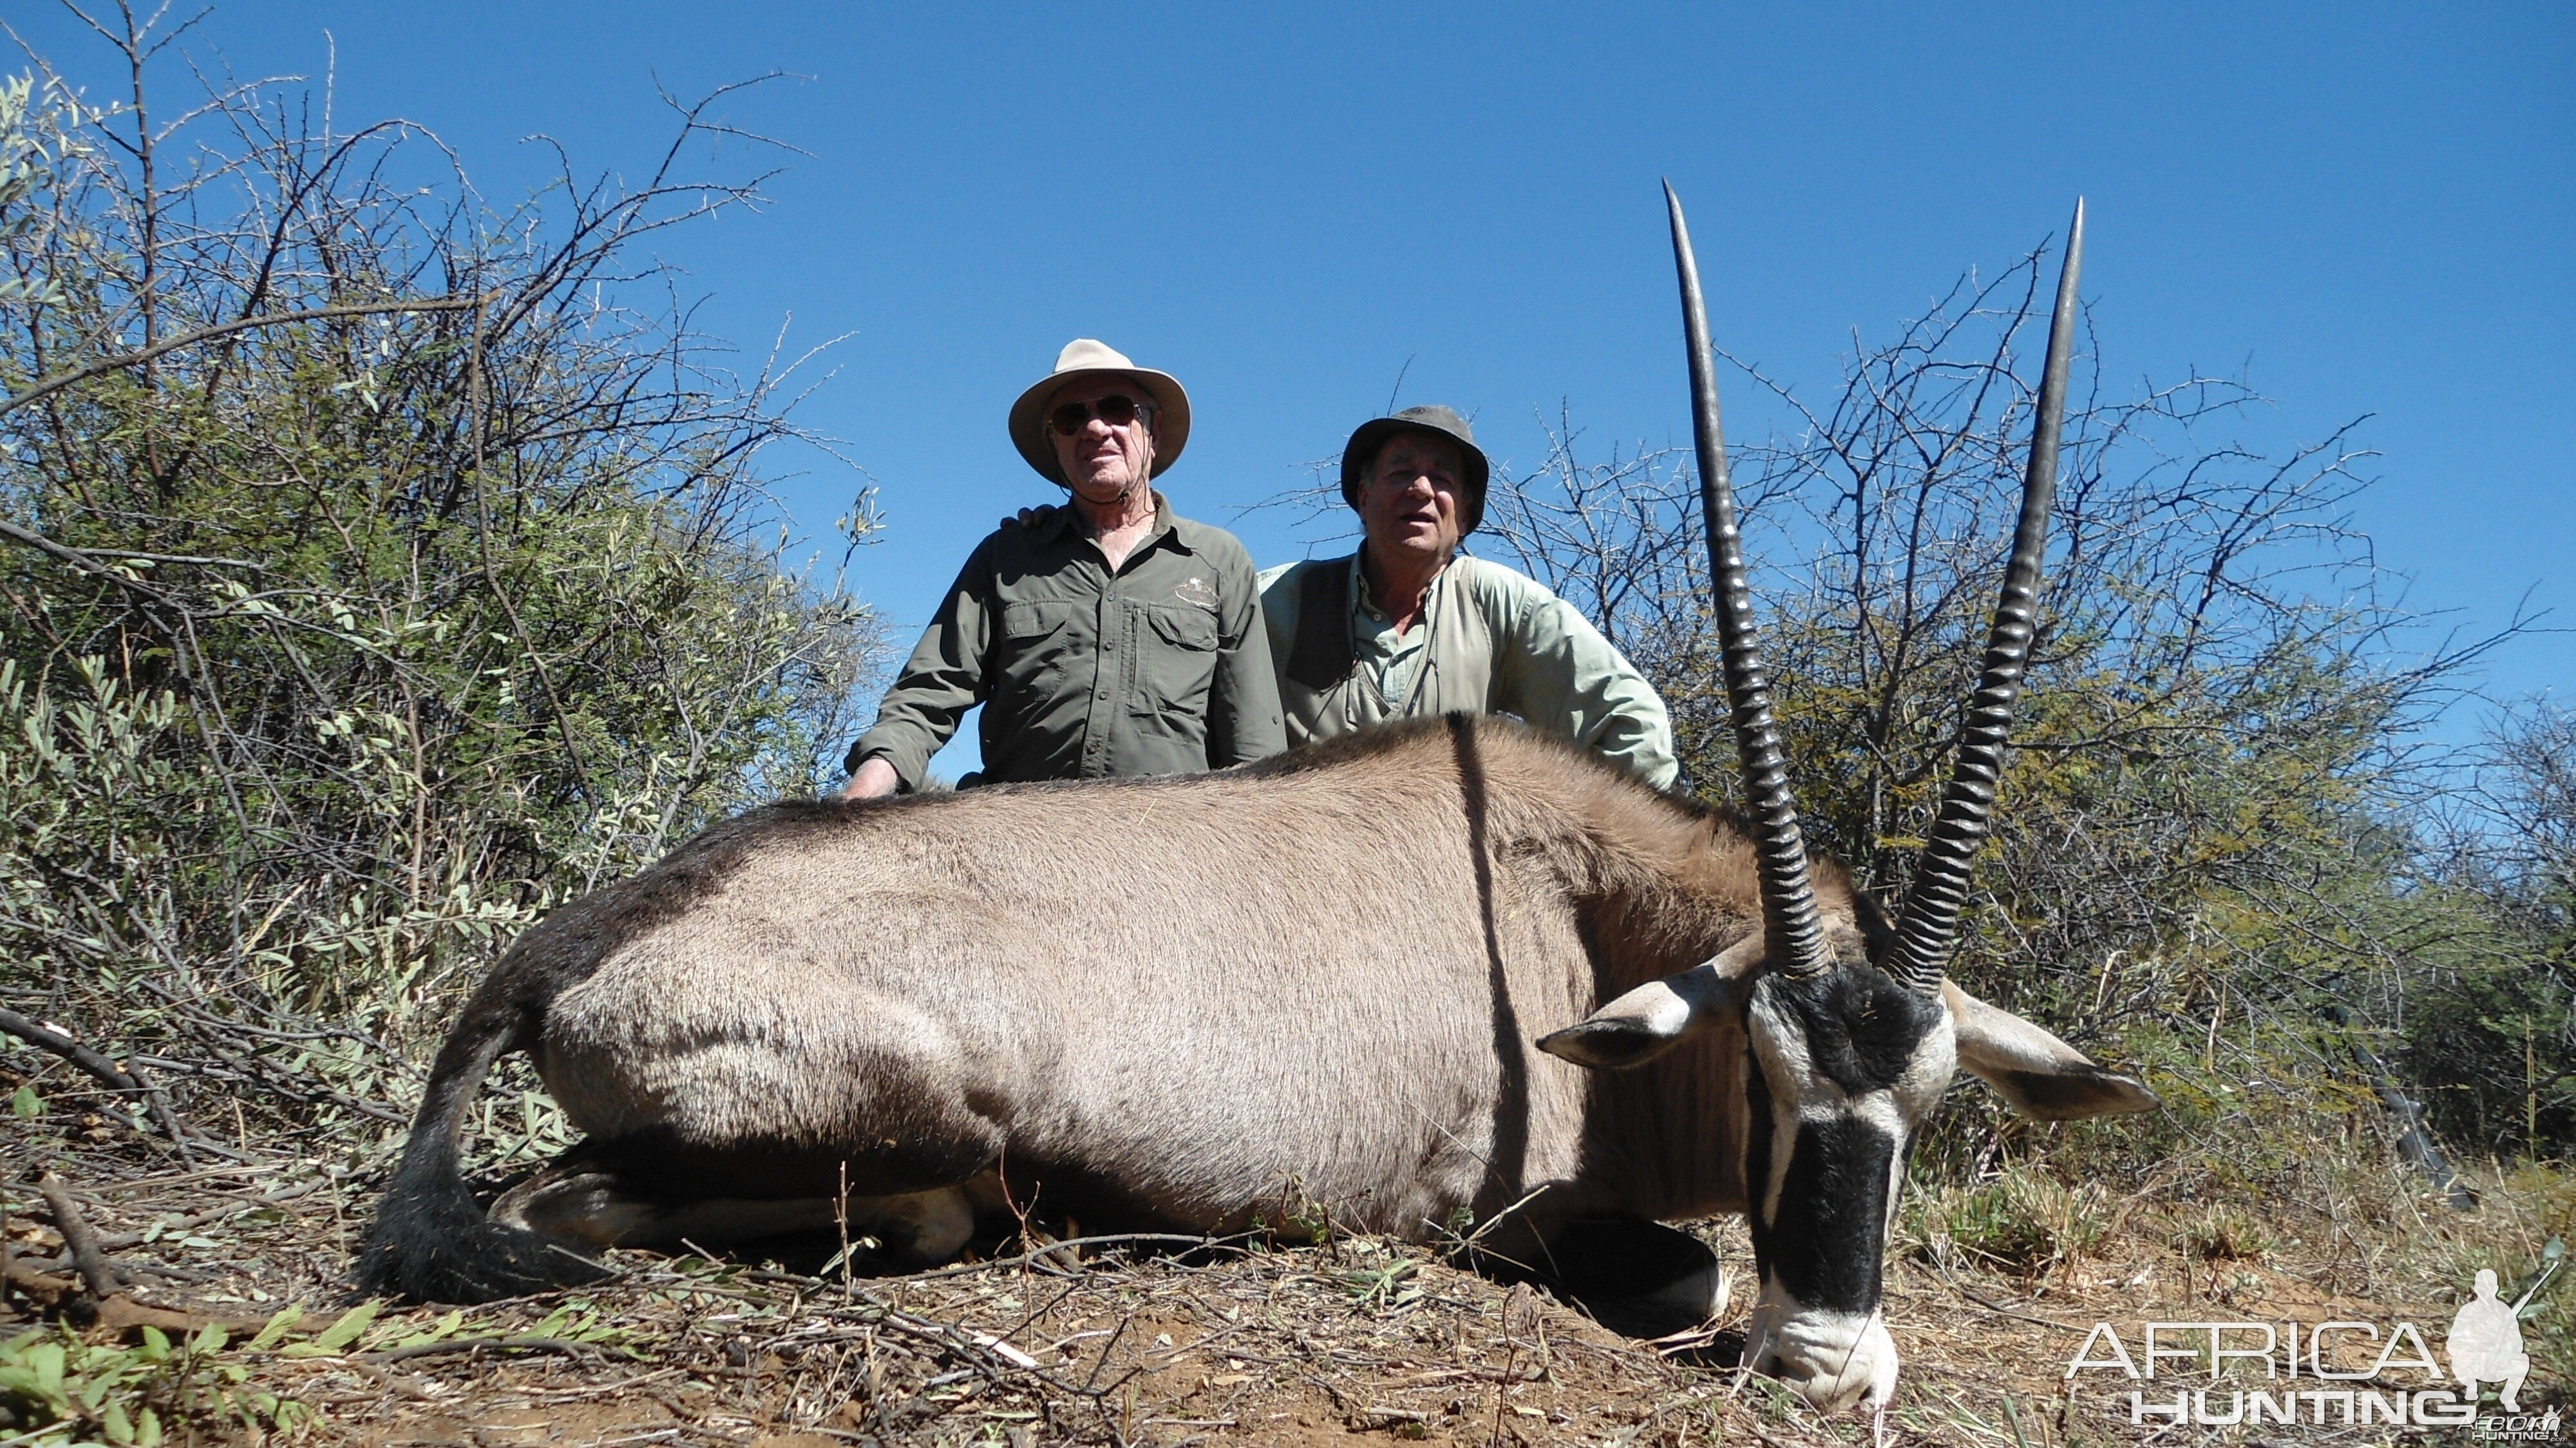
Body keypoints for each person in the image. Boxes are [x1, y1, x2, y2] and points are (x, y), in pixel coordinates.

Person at [840, 340, 1285, 797]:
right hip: (1019, 842)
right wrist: (862, 796)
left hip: (1169, 846)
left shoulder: (1218, 560)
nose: (1094, 428)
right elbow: (929, 692)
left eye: (1117, 409)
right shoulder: (1006, 557)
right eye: (1071, 419)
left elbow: (1252, 737)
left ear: (1153, 431)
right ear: (1055, 445)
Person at [1258, 405, 1678, 788]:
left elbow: (1633, 726)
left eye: (1442, 478)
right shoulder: (1279, 595)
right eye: (1400, 472)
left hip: (1447, 864)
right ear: (1364, 499)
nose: (1420, 489)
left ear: (1464, 514)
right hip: (1297, 859)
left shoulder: (1501, 601)